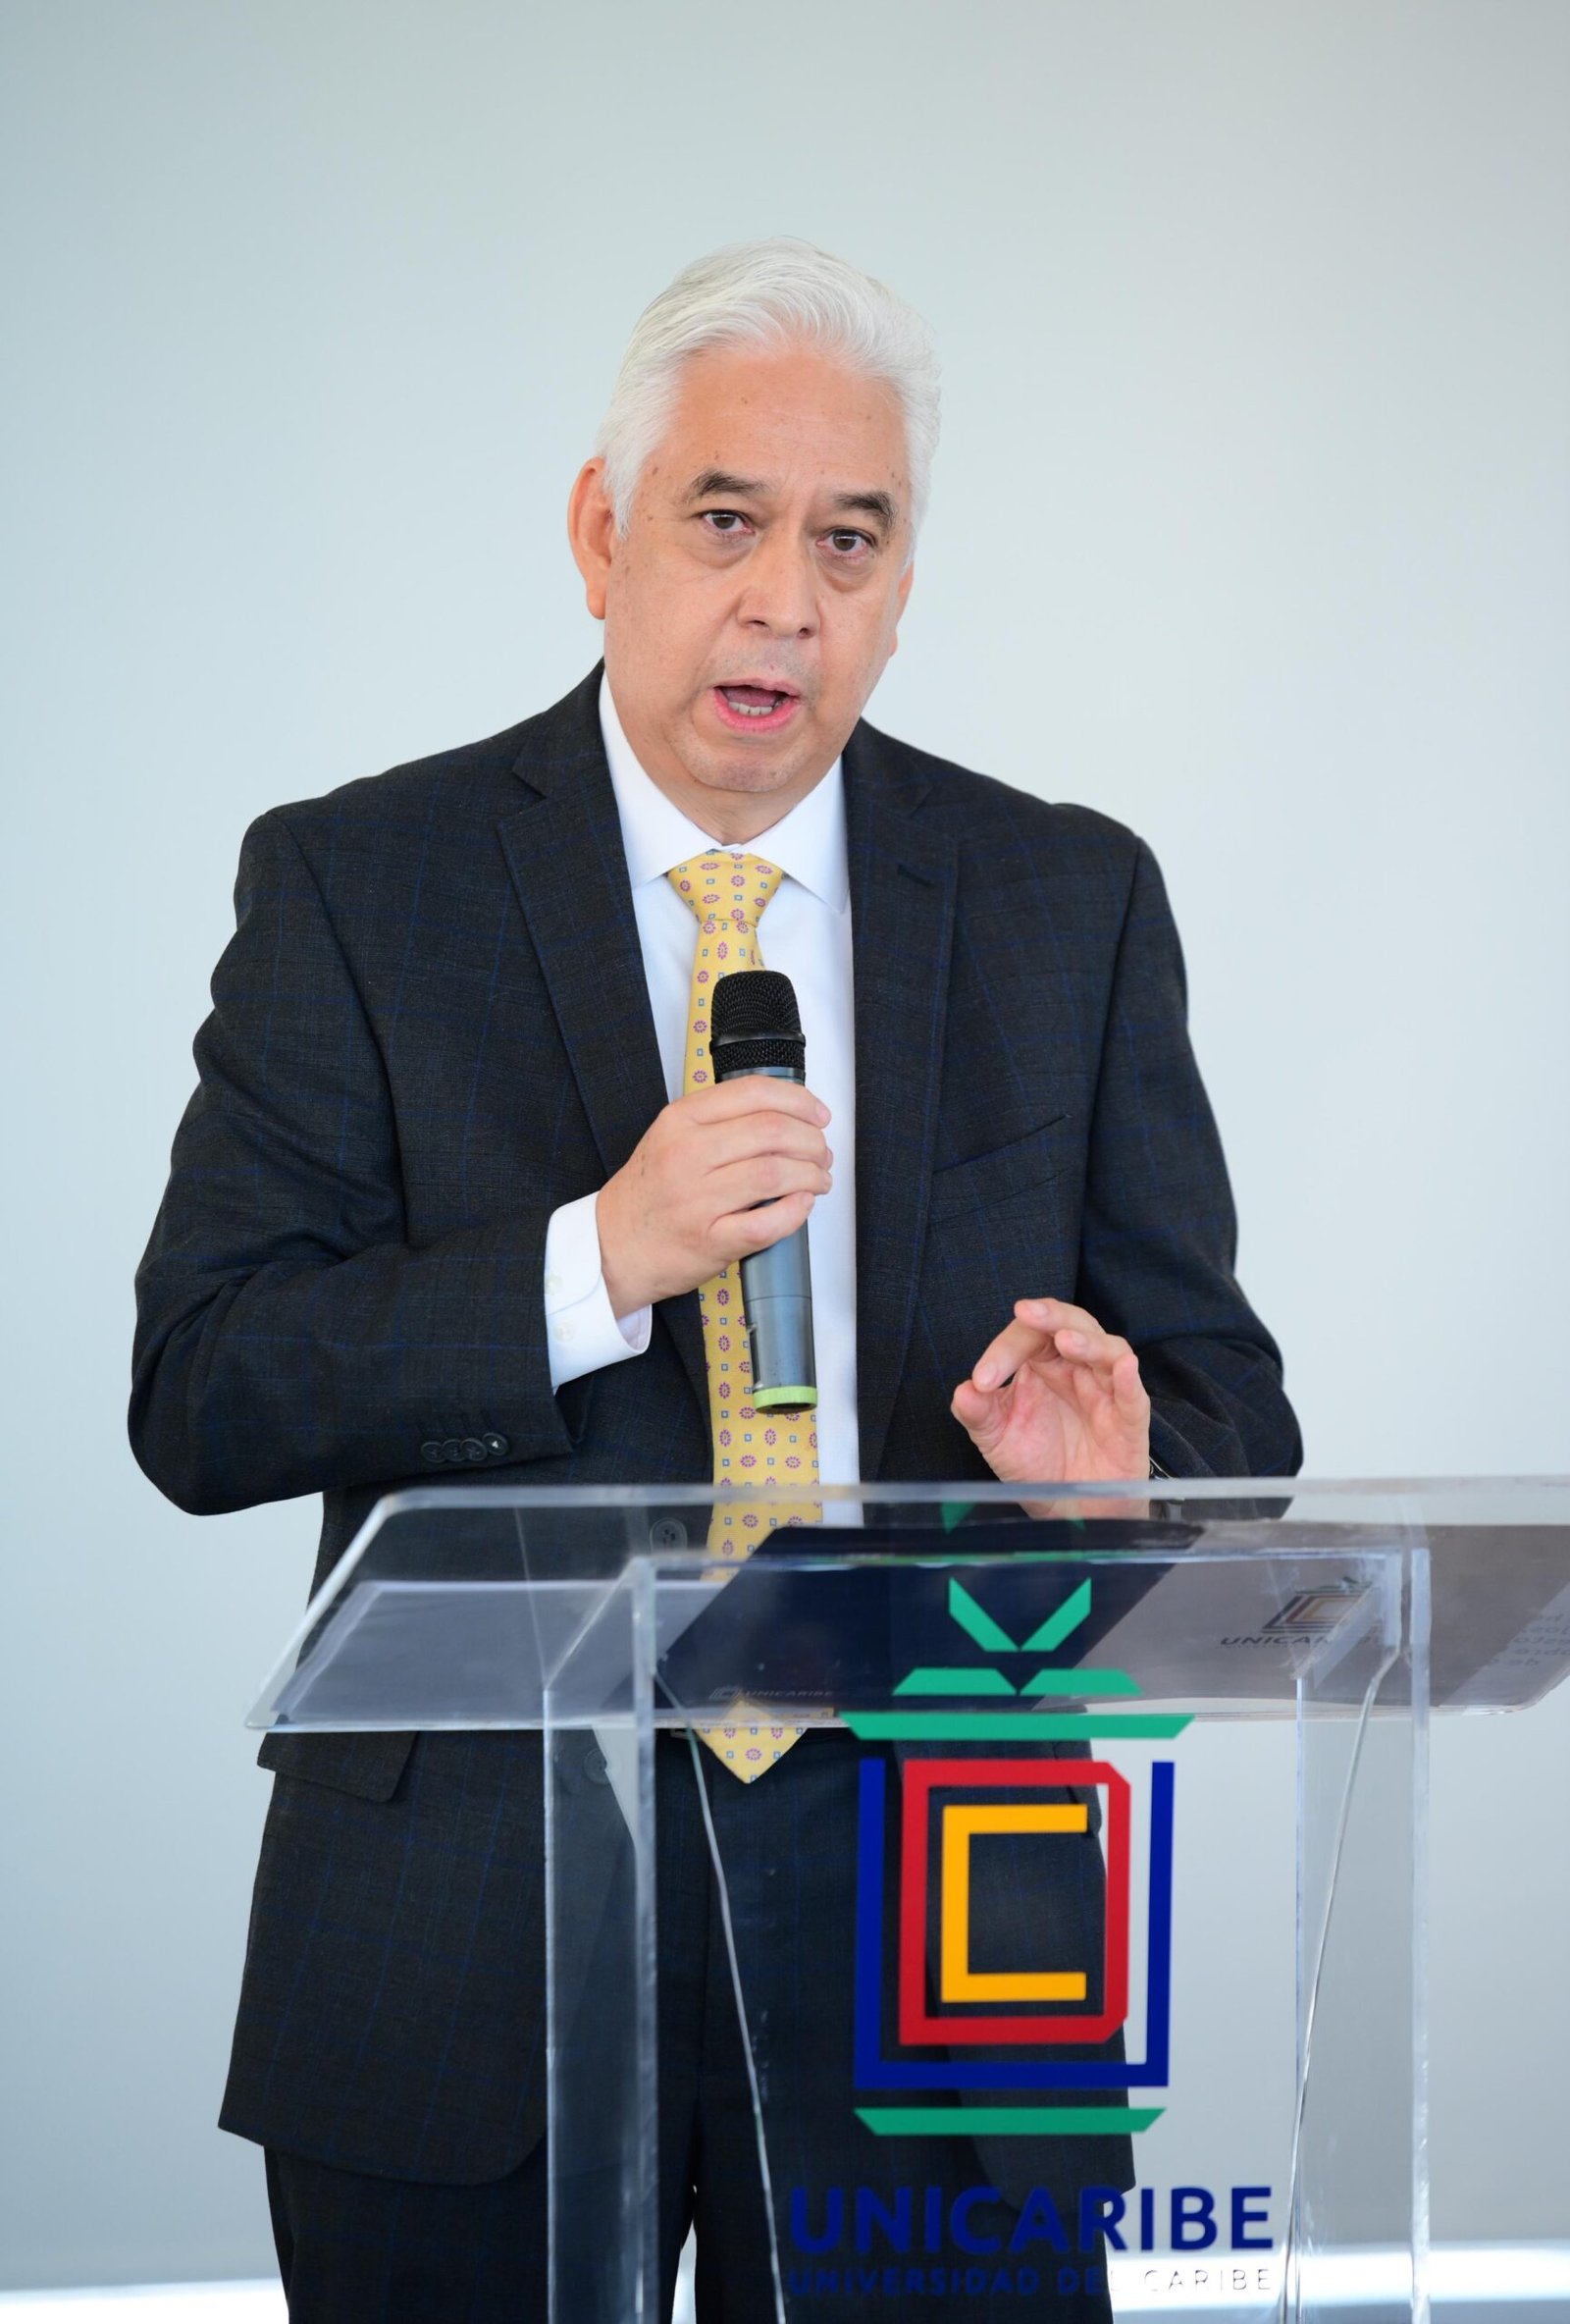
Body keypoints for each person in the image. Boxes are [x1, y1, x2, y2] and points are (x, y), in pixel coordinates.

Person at [131, 239, 1299, 2321]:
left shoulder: (1065, 897)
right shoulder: (360, 882)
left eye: (849, 539)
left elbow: (1226, 1428)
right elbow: (206, 1387)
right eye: (726, 520)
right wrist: (595, 1259)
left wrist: (1112, 1487)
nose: (786, 600)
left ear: (903, 581)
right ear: (603, 533)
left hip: (939, 1917)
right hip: (470, 1902)